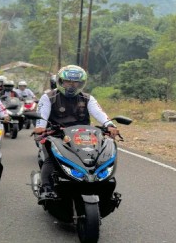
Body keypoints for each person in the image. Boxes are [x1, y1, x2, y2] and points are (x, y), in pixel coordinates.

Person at [33, 65, 119, 204]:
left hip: (84, 135)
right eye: (68, 82)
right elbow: (41, 116)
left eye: (76, 82)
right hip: (56, 135)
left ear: (81, 83)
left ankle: (104, 189)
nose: (72, 85)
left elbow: (99, 113)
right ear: (61, 81)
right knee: (51, 159)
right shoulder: (48, 97)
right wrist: (40, 128)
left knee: (97, 157)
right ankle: (46, 189)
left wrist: (110, 125)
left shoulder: (87, 98)